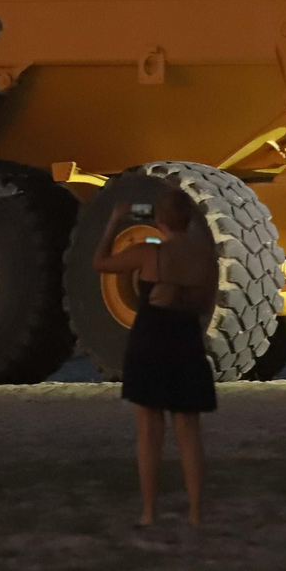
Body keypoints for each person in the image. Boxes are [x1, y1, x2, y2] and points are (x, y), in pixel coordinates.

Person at [91, 186, 219, 528]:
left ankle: (149, 512)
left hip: (151, 339)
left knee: (149, 431)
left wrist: (115, 221)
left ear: (159, 219)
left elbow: (100, 262)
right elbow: (205, 306)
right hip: (187, 338)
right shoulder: (206, 258)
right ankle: (196, 513)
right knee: (189, 432)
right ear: (189, 220)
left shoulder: (149, 253)